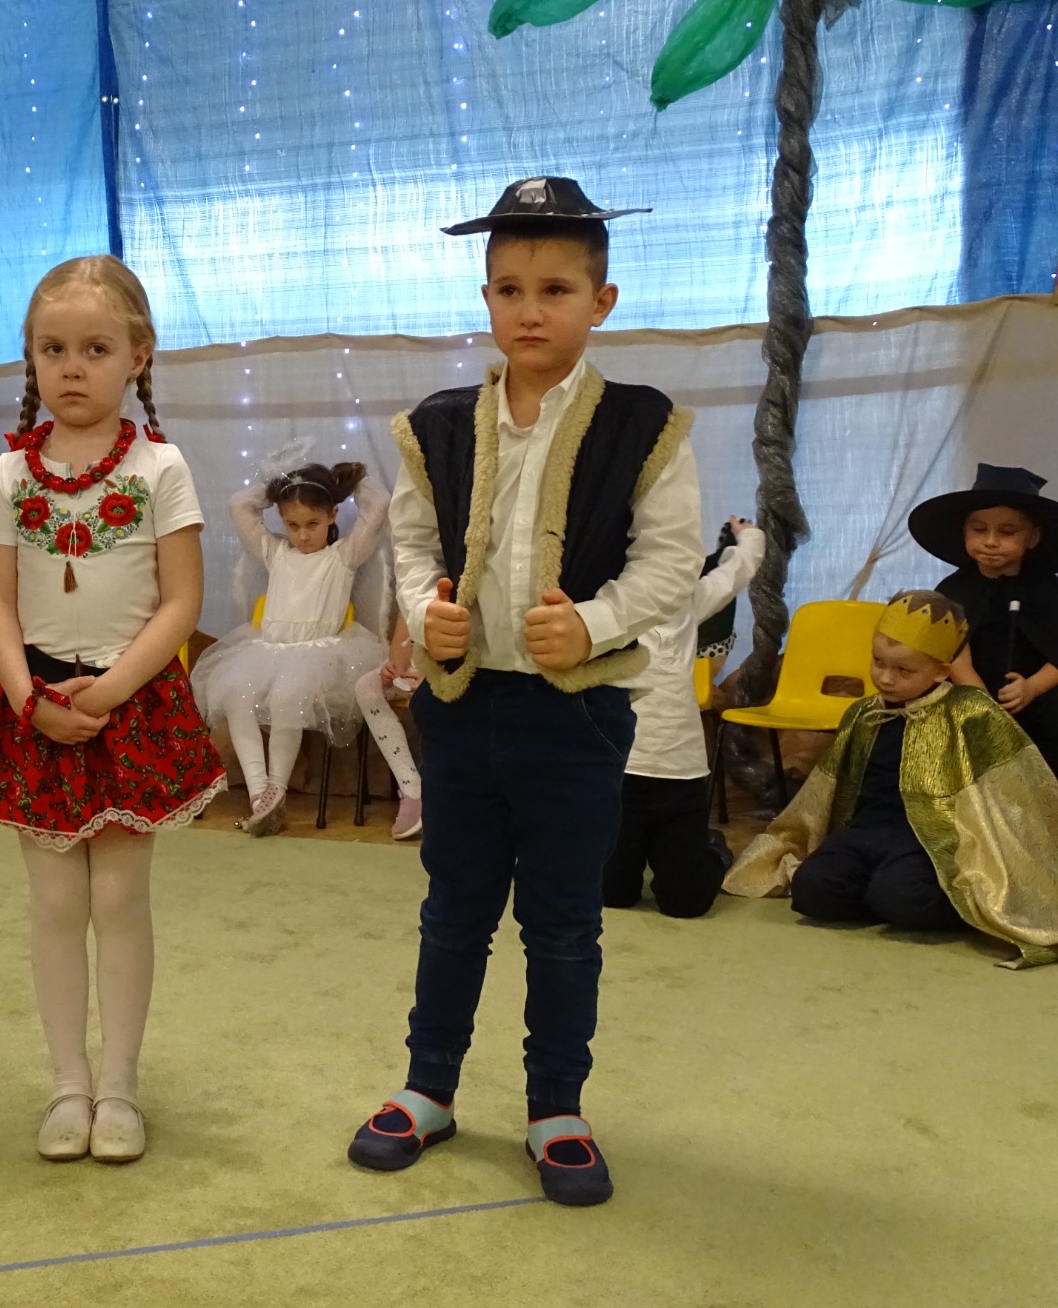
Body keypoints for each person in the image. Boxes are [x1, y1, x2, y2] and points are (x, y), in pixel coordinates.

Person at [346, 177, 700, 1207]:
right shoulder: (439, 425)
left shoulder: (644, 426)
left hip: (575, 717)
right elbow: (414, 543)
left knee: (563, 922)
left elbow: (671, 562)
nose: (530, 310)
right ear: (487, 298)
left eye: (555, 289)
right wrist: (428, 612)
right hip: (461, 712)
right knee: (453, 909)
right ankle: (429, 1088)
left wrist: (591, 622)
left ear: (602, 300)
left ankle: (556, 1107)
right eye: (509, 289)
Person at [0, 255, 223, 1165]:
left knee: (117, 897)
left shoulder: (161, 468)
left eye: (96, 349)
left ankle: (120, 1085)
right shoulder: (9, 474)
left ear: (138, 355)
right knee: (54, 902)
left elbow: (181, 602)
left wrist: (108, 693)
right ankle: (67, 1084)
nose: (71, 368)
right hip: (35, 707)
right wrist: (27, 699)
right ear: (31, 357)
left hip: (128, 708)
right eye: (53, 349)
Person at [724, 591, 1058, 968]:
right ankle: (880, 893)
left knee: (904, 897)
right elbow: (829, 786)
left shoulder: (969, 713)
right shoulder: (864, 713)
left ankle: (917, 899)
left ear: (941, 671)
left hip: (927, 841)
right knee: (812, 889)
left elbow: (1015, 789)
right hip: (863, 832)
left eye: (903, 671)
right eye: (878, 662)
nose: (885, 678)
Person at [189, 457, 388, 836]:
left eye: (313, 524)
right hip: (267, 650)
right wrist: (275, 486)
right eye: (292, 525)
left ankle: (277, 787)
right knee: (235, 695)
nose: (302, 535)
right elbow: (239, 506)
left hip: (318, 654)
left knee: (287, 697)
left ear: (332, 515)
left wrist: (351, 481)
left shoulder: (343, 556)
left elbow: (379, 507)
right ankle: (259, 792)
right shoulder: (275, 552)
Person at [602, 514, 764, 917]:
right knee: (612, 893)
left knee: (686, 902)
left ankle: (712, 849)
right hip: (621, 775)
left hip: (682, 777)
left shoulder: (688, 603)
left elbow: (737, 571)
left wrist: (748, 536)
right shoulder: (604, 606)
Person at [907, 464, 1058, 773]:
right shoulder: (953, 591)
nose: (990, 541)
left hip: (1038, 697)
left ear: (1032, 537)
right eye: (978, 530)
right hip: (972, 694)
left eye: (1007, 532)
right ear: (964, 532)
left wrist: (1031, 688)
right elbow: (955, 659)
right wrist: (984, 706)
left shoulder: (1047, 589)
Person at [354, 610, 425, 841]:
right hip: (418, 669)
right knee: (367, 686)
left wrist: (434, 676)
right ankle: (411, 788)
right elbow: (402, 635)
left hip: (458, 670)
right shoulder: (411, 589)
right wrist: (394, 670)